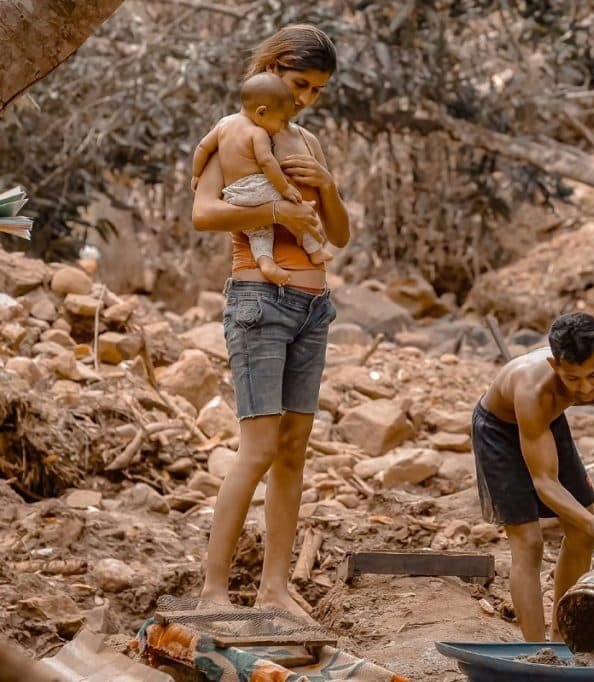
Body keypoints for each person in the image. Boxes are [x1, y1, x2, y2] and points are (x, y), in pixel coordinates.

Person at [191, 24, 350, 622]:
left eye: (317, 91)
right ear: (274, 68)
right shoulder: (236, 132)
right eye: (299, 83)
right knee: (257, 448)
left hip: (314, 307)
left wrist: (326, 188)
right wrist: (277, 207)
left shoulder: (305, 141)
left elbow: (337, 234)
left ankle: (275, 590)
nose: (306, 99)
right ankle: (213, 592)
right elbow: (204, 212)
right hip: (258, 300)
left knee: (293, 452)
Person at [472, 311, 594, 642]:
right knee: (529, 543)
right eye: (572, 379)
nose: (585, 389)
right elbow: (544, 482)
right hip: (499, 429)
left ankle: (562, 640)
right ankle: (538, 652)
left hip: (547, 423)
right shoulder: (534, 389)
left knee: (581, 535)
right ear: (555, 367)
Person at [191, 72, 330, 286]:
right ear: (262, 112)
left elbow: (202, 147)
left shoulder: (223, 126)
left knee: (259, 232)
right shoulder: (257, 133)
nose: (281, 126)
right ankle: (314, 248)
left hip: (235, 196)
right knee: (297, 209)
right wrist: (284, 189)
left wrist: (196, 173)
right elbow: (267, 162)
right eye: (281, 120)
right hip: (258, 187)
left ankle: (266, 262)